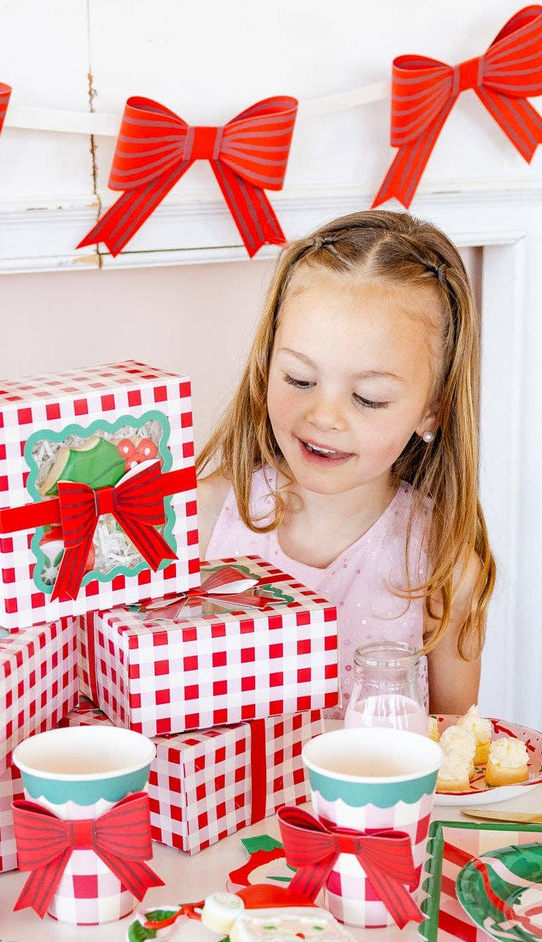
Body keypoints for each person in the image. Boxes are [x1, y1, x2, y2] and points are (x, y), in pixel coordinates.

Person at [197, 209, 496, 716]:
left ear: (433, 408)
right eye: (299, 379)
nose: (324, 416)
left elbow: (448, 750)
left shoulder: (443, 568)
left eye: (369, 397)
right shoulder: (206, 517)